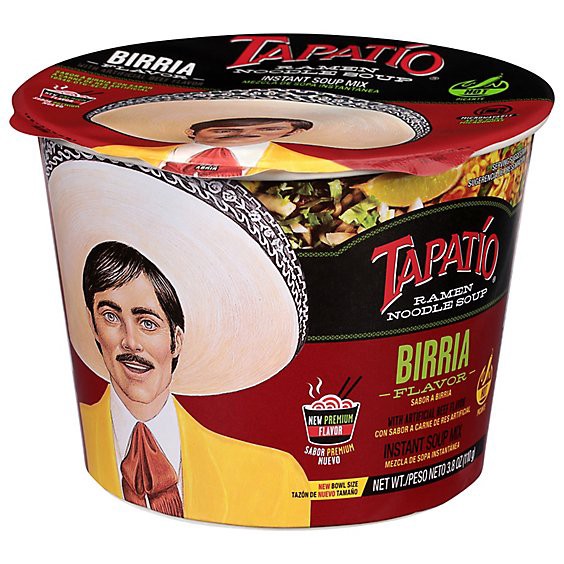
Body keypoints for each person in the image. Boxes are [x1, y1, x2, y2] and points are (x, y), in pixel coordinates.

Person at [79, 241, 310, 526]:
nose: (130, 341)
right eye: (111, 317)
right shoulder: (63, 442)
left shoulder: (274, 477)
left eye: (148, 323)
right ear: (93, 325)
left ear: (176, 341)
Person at [94, 116, 350, 177]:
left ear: (294, 132)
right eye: (225, 129)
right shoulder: (113, 149)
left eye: (268, 128)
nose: (245, 135)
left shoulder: (327, 162)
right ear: (191, 132)